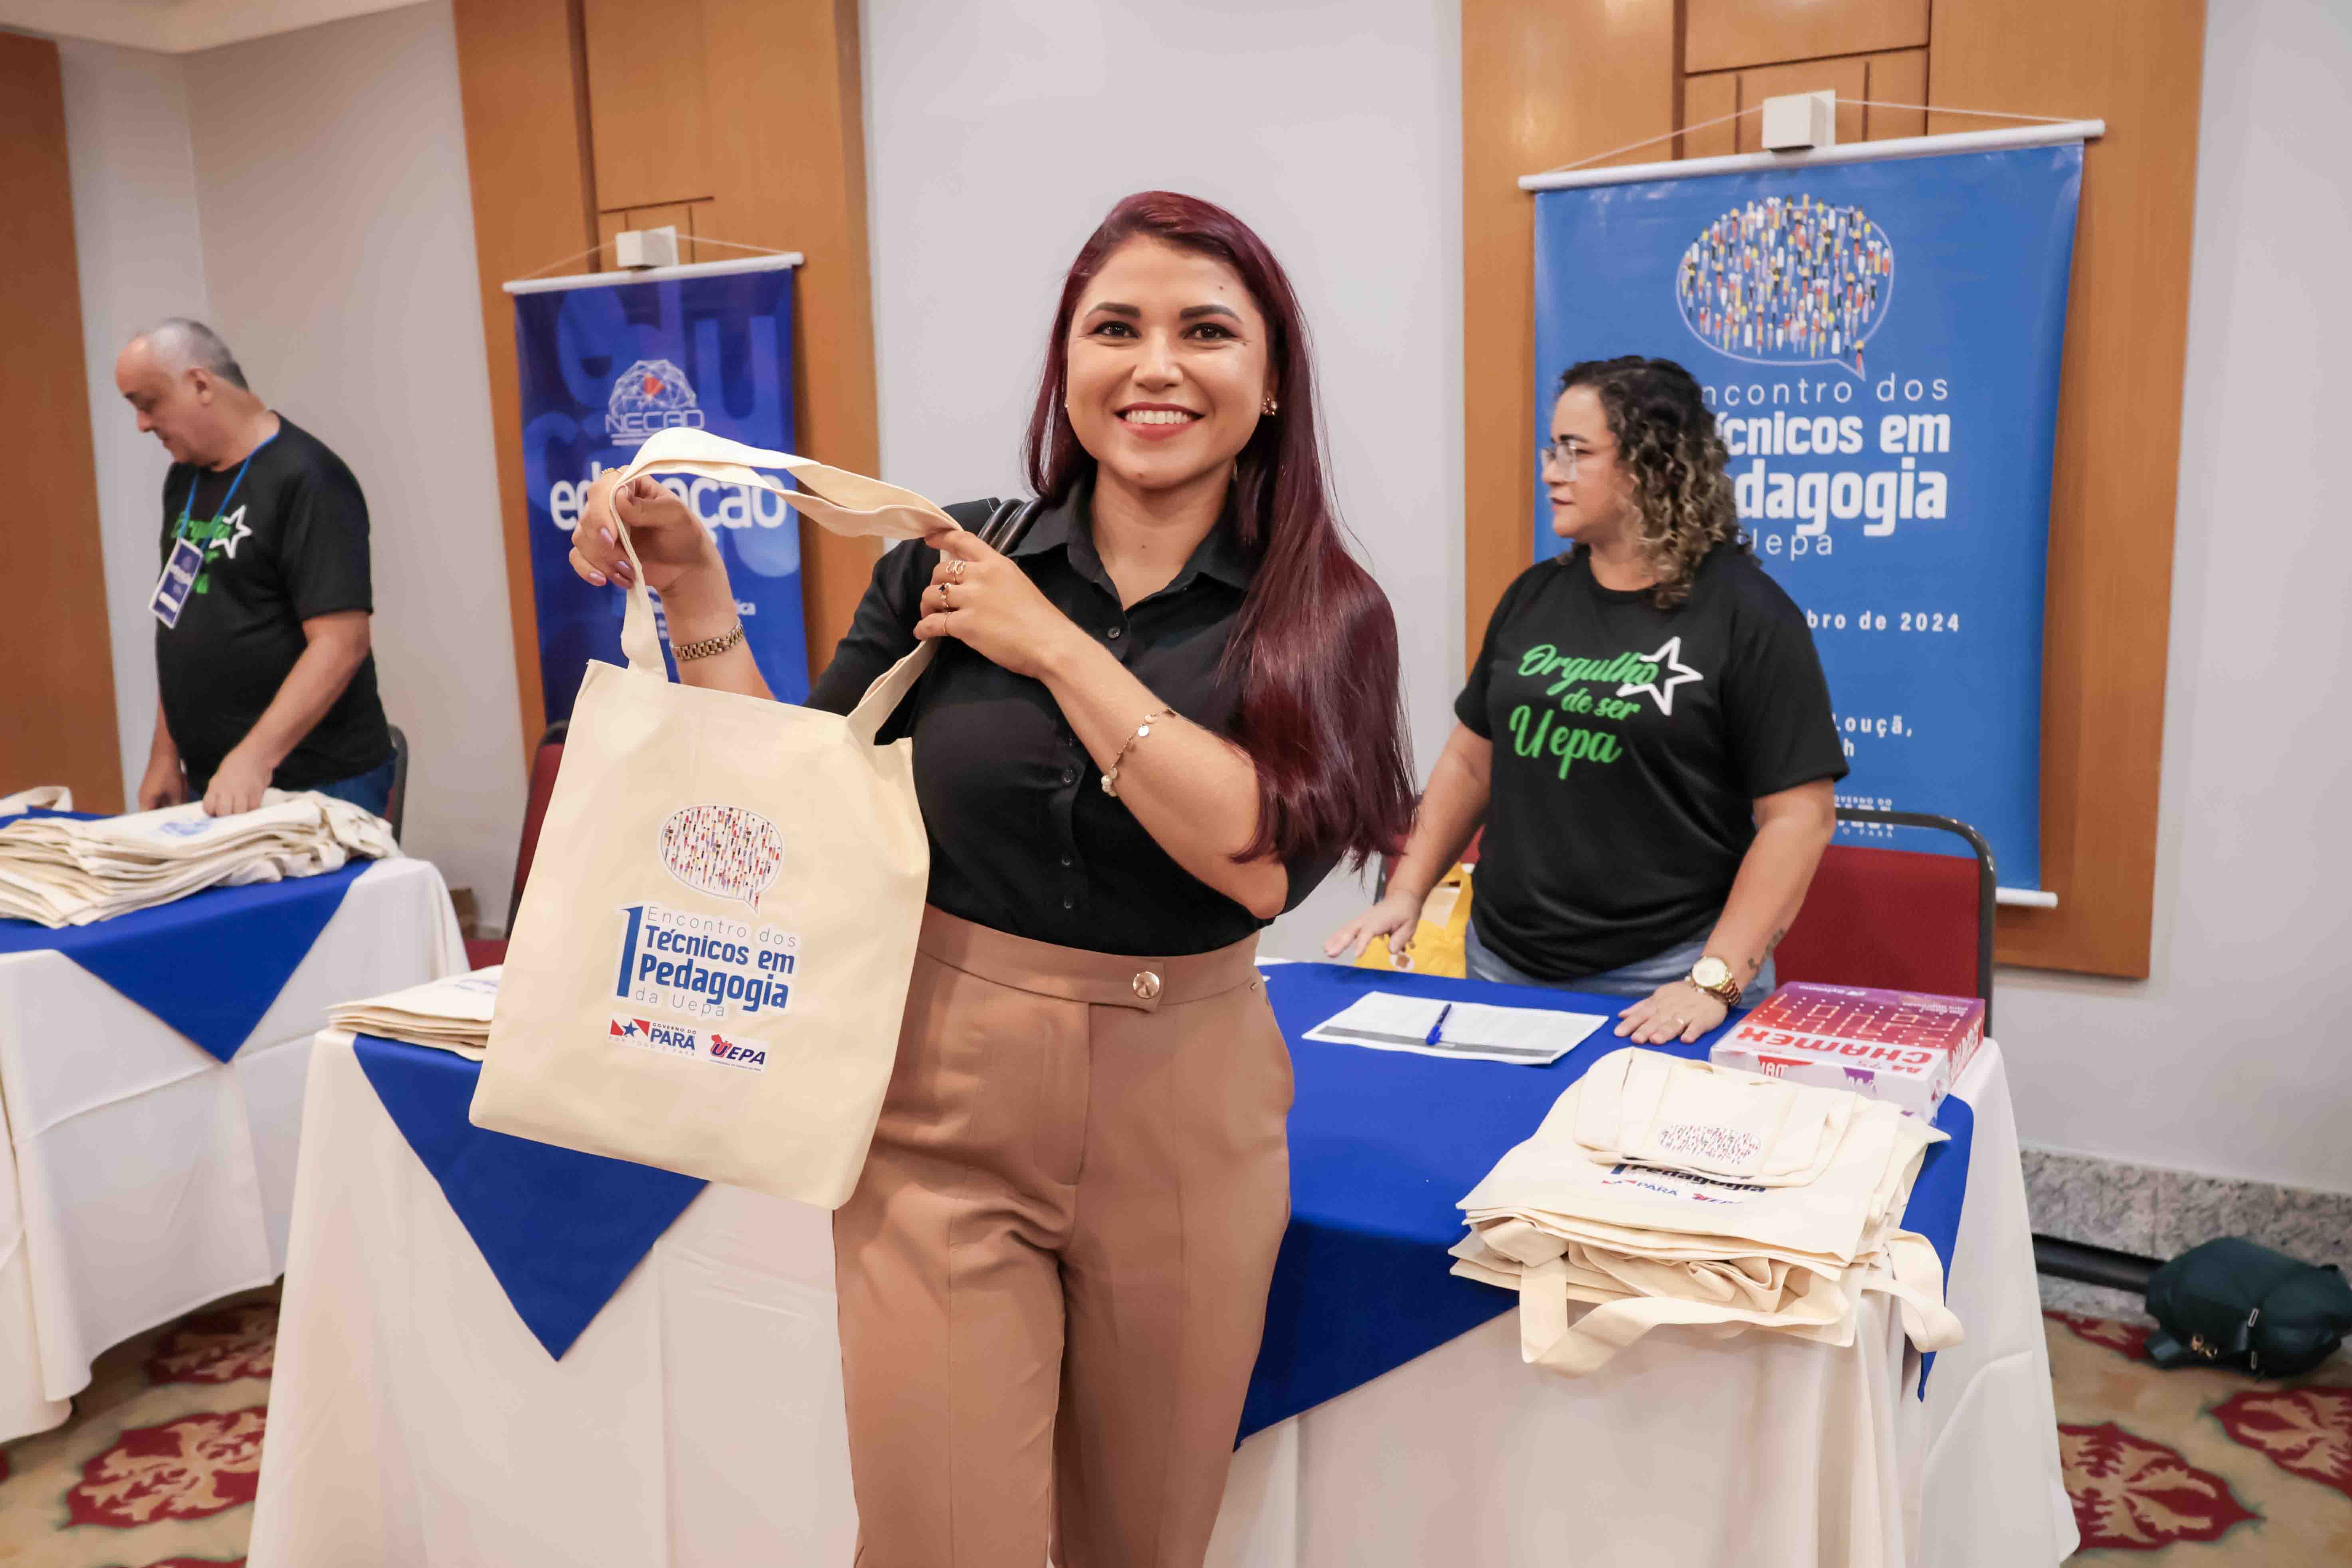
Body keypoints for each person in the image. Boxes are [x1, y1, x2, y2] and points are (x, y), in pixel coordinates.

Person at [567, 192, 1414, 1568]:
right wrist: (697, 594)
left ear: (1269, 386)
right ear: (1066, 368)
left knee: (1143, 1540)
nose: (1155, 366)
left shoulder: (1325, 612)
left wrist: (1053, 648)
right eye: (1114, 328)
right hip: (937, 1102)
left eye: (1205, 331)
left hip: (1186, 1109)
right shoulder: (948, 558)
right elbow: (799, 809)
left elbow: (1259, 865)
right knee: (939, 1537)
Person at [1327, 355, 1844, 1045]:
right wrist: (1407, 890)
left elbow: (1799, 819)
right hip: (1503, 964)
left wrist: (1713, 981)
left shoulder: (1748, 615)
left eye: (1576, 451)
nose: (1552, 471)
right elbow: (1471, 763)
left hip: (1665, 981)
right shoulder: (1534, 596)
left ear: (1651, 466)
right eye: (1552, 449)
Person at [115, 319, 394, 817]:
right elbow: (178, 621)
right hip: (218, 781)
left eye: (148, 403)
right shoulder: (185, 481)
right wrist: (165, 754)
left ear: (200, 384)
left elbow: (341, 644)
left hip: (316, 783)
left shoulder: (309, 478)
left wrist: (255, 757)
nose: (141, 424)